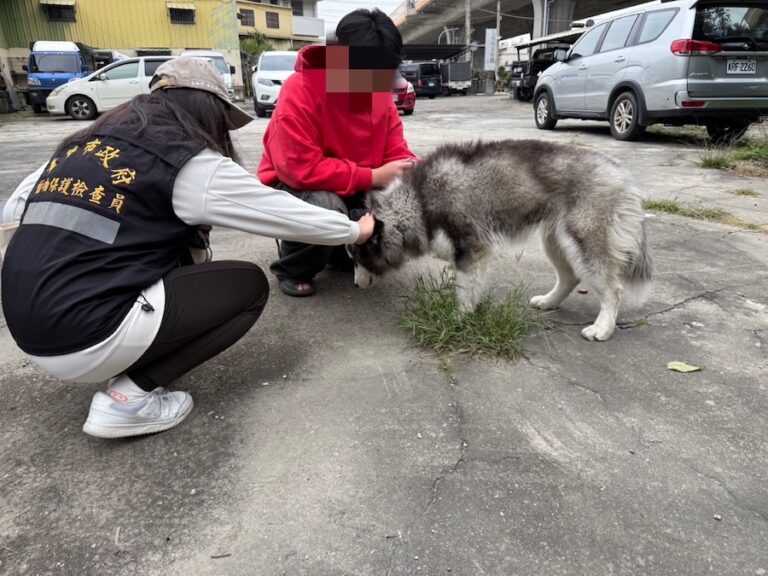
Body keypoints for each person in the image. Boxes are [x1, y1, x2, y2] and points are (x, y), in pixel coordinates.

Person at [0, 58, 374, 439]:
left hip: (26, 329)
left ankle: (121, 350)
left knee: (170, 244)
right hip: (86, 337)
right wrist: (353, 230)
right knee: (245, 286)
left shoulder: (83, 144)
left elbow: (13, 212)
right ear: (206, 109)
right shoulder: (184, 159)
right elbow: (280, 212)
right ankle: (128, 399)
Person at [258, 8, 418, 297]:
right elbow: (299, 170)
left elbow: (397, 153)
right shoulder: (301, 89)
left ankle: (340, 251)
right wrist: (373, 176)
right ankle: (293, 266)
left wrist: (415, 174)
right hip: (298, 186)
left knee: (400, 204)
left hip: (355, 183)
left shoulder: (379, 95)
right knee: (326, 208)